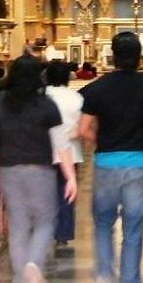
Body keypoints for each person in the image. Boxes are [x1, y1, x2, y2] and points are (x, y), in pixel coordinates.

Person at [77, 31, 143, 283]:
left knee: (103, 223)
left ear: (113, 55)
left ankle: (104, 274)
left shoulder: (96, 88)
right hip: (138, 164)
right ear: (139, 56)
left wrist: (106, 141)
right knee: (133, 227)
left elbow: (83, 129)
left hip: (106, 164)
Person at [0, 55, 77, 283]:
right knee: (45, 222)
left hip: (8, 169)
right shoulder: (47, 105)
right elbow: (61, 145)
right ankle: (33, 264)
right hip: (40, 169)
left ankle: (21, 282)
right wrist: (70, 176)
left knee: (18, 225)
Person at [44, 60, 84, 248]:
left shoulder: (41, 97)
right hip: (70, 150)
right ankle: (63, 233)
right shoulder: (76, 98)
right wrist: (65, 137)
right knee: (66, 191)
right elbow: (81, 128)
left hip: (43, 150)